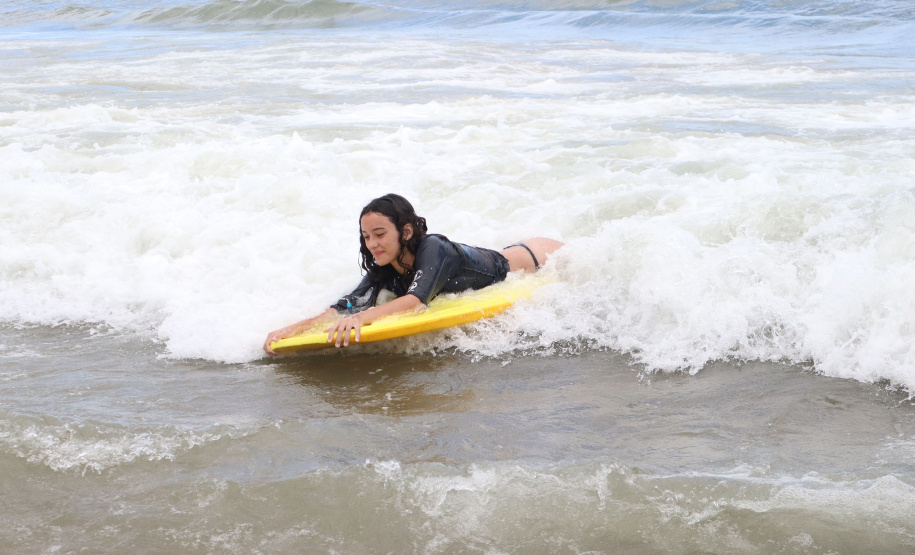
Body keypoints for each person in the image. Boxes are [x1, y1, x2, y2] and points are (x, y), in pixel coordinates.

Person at [263, 194, 563, 353]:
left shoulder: (434, 247)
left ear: (405, 231)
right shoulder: (387, 264)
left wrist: (361, 319)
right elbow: (351, 303)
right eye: (367, 237)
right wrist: (298, 327)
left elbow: (415, 301)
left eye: (379, 234)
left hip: (538, 257)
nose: (372, 244)